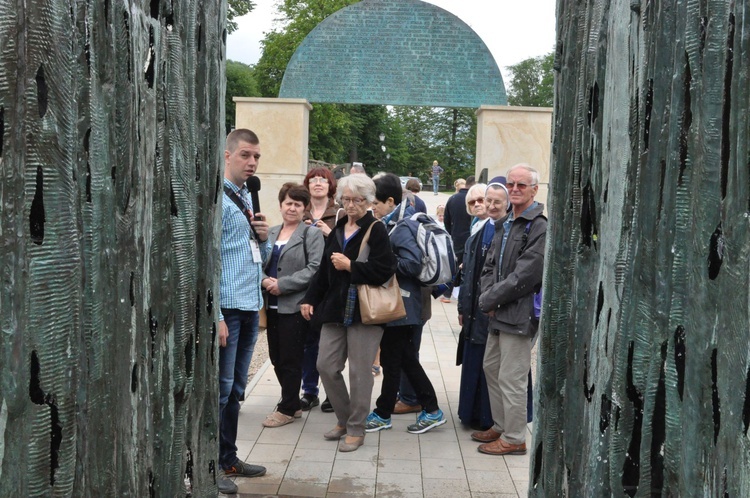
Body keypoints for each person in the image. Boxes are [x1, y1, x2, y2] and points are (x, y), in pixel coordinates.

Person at [300, 174, 397, 452]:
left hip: (364, 312)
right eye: (347, 199)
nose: (351, 204)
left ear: (368, 202)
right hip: (334, 308)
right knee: (326, 366)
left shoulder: (376, 229)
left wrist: (351, 266)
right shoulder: (340, 225)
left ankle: (356, 428)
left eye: (357, 200)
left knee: (359, 372)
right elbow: (323, 269)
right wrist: (310, 298)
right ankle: (344, 419)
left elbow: (385, 270)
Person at [365, 173, 447, 433]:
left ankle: (430, 410)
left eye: (375, 203)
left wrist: (382, 263)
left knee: (404, 360)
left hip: (404, 306)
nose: (372, 208)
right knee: (396, 359)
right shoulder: (394, 224)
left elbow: (412, 265)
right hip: (400, 306)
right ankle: (384, 411)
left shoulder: (401, 228)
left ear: (390, 201)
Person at [475, 164, 546, 456]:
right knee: (491, 368)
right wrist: (488, 296)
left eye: (521, 185)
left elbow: (527, 275)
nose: (515, 188)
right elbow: (489, 265)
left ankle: (515, 438)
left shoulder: (538, 225)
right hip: (498, 312)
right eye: (511, 184)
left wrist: (491, 300)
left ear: (534, 190)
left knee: (512, 377)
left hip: (519, 313)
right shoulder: (506, 222)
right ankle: (502, 425)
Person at [217, 129, 269, 493]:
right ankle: (208, 465)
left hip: (250, 307)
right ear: (227, 155)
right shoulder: (215, 199)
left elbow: (256, 261)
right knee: (218, 392)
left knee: (236, 390)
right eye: (245, 155)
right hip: (228, 310)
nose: (251, 163)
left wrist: (264, 240)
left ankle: (228, 458)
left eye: (256, 157)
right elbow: (205, 259)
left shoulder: (247, 196)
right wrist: (215, 314)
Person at [261, 183, 325, 428]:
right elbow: (256, 263)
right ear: (280, 205)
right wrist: (265, 281)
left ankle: (287, 407)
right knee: (276, 357)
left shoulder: (311, 233)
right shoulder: (272, 232)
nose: (292, 208)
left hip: (295, 306)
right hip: (271, 306)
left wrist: (283, 285)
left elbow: (315, 269)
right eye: (288, 203)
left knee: (291, 358)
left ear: (305, 208)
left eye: (298, 204)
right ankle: (293, 402)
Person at [457, 182, 508, 431]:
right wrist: (462, 307)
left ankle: (490, 419)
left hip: (492, 309)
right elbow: (467, 275)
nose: (483, 205)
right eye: (476, 201)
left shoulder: (506, 230)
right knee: (476, 361)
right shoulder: (478, 230)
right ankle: (473, 414)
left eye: (488, 201)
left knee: (492, 365)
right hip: (474, 310)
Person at [299, 168, 339, 413]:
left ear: (330, 185)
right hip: (305, 286)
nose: (317, 183)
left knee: (332, 342)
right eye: (312, 180)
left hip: (331, 286)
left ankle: (332, 393)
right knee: (309, 341)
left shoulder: (340, 212)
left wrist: (329, 232)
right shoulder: (299, 210)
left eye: (322, 180)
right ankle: (310, 391)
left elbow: (348, 245)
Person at [442, 176, 475, 302]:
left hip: (457, 236)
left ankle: (447, 293)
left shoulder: (453, 199)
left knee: (454, 265)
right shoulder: (474, 200)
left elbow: (446, 219)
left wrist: (452, 232)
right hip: (471, 236)